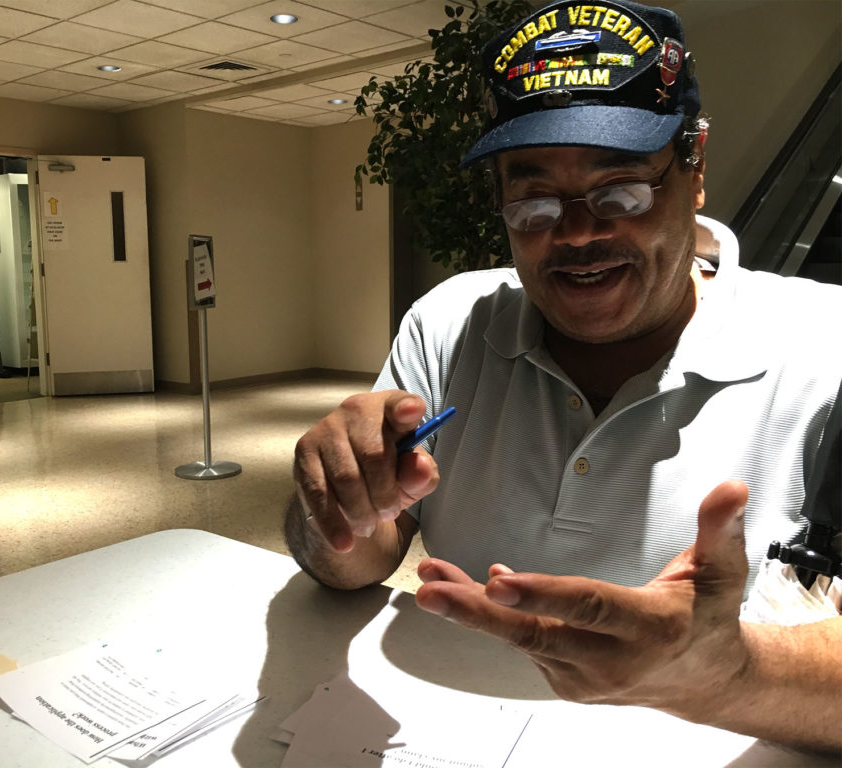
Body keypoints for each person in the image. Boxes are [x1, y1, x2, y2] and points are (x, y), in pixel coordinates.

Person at [286, 0, 841, 754]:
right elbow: (357, 563)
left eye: (621, 192)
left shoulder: (826, 347)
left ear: (695, 167)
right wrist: (335, 508)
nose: (577, 233)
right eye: (533, 198)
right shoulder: (449, 325)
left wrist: (729, 675)